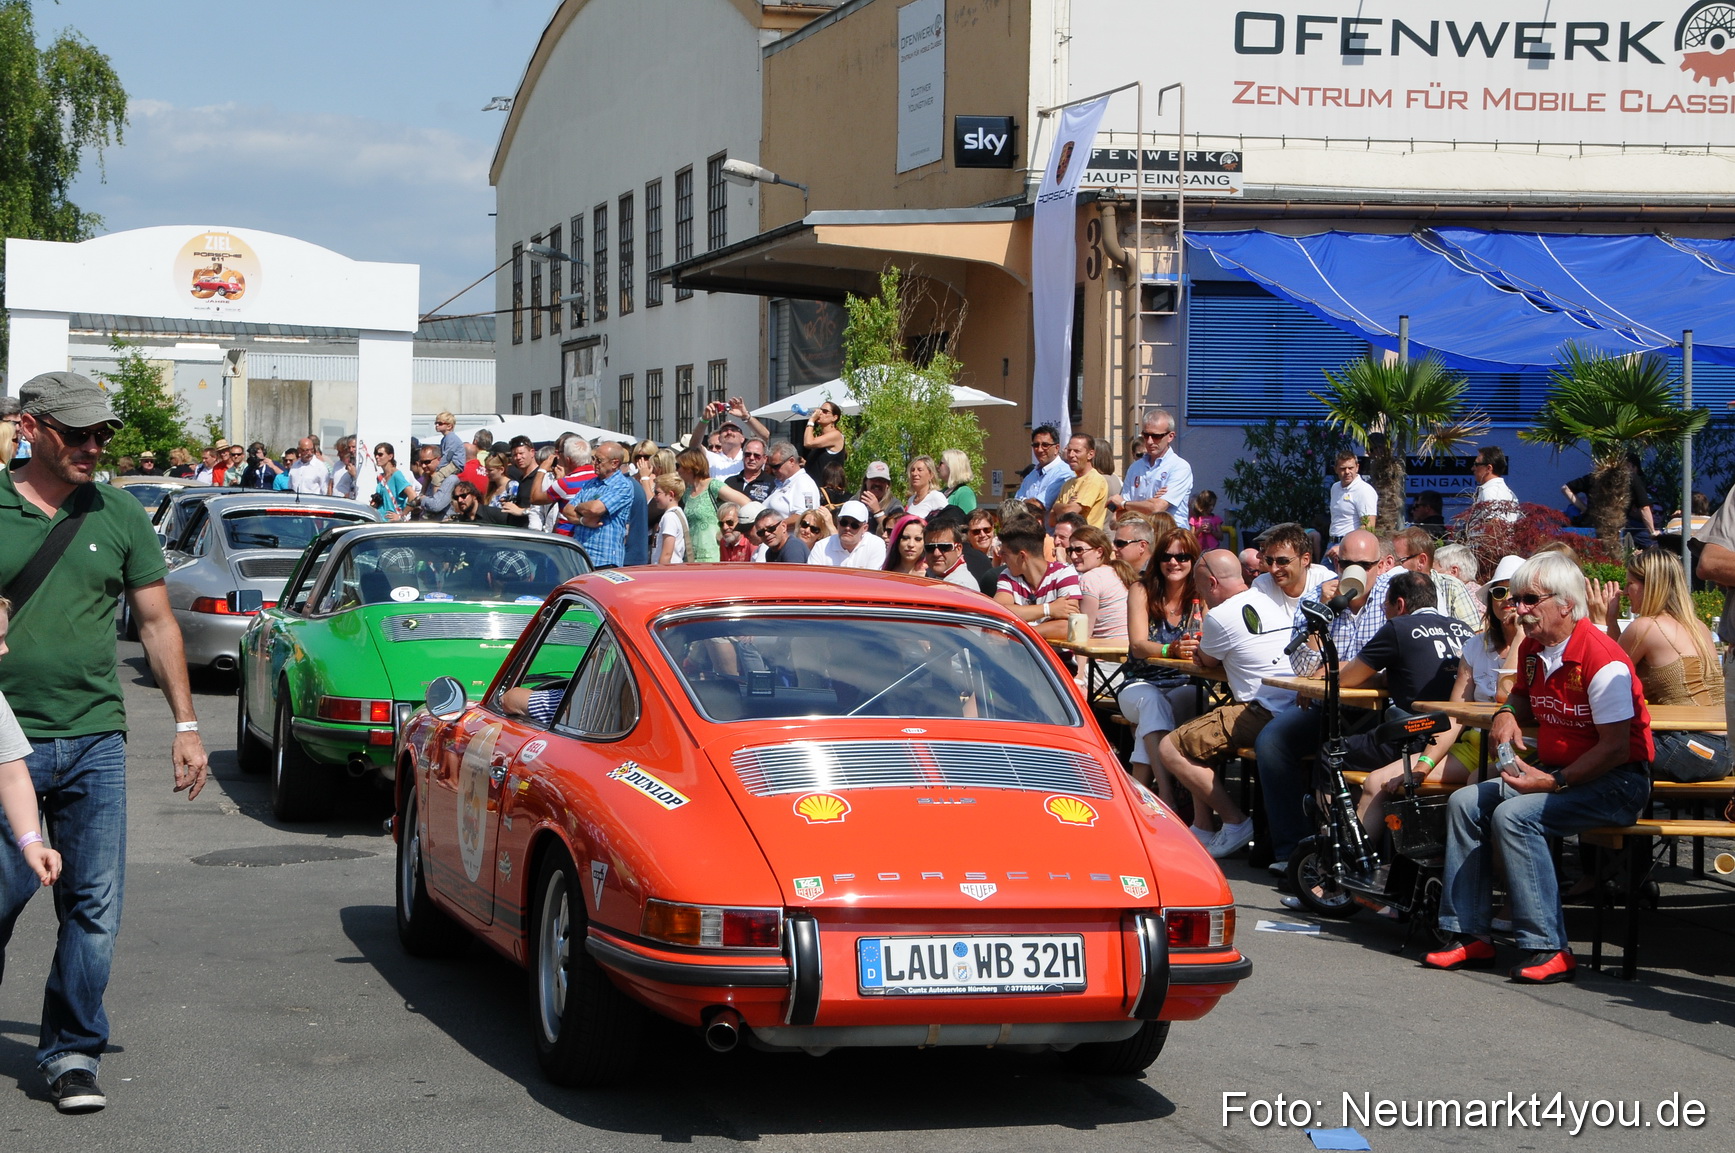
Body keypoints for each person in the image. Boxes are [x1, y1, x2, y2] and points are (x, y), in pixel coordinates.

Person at [1, 372, 210, 1114]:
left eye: (102, 434)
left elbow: (156, 624)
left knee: (94, 905)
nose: (94, 446)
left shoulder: (119, 512)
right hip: (4, 744)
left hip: (95, 738)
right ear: (31, 428)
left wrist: (187, 726)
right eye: (78, 433)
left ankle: (71, 1051)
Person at [1425, 552, 1653, 984]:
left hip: (1617, 782)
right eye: (1515, 599)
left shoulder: (1603, 660)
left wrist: (1554, 782)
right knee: (1464, 802)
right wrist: (1507, 713)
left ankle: (1548, 947)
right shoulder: (1534, 648)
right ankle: (1468, 933)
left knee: (1515, 817)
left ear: (1566, 604)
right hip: (1561, 771)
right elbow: (1521, 697)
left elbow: (1615, 749)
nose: (1519, 609)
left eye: (1530, 599)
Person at [1255, 529, 1399, 874]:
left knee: (1344, 753)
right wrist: (1322, 614)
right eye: (1346, 563)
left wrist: (1338, 670)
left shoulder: (1392, 600)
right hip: (1327, 707)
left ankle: (1354, 851)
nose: (1354, 571)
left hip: (1377, 711)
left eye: (1363, 565)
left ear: (1382, 565)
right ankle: (1294, 849)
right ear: (1335, 561)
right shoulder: (1319, 601)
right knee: (1271, 742)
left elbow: (1389, 665)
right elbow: (1302, 666)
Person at [1155, 548, 1295, 856]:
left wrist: (1196, 649)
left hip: (1262, 709)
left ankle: (1235, 822)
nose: (1200, 593)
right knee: (1196, 732)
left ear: (1212, 583)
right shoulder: (1269, 600)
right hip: (1295, 706)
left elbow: (1204, 659)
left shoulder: (1220, 615)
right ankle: (1204, 826)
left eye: (1200, 586)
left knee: (1170, 747)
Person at [1335, 571, 1476, 838]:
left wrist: (1329, 671)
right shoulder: (1463, 628)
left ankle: (1338, 843)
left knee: (1330, 754)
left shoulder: (1398, 628)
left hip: (1417, 736)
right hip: (1458, 740)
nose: (1384, 612)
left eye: (1385, 606)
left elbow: (1347, 679)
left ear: (1400, 604)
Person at [1595, 548, 1727, 781]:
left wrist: (1605, 621)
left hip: (1695, 749)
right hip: (1723, 748)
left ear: (1650, 586)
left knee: (1599, 746)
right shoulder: (1698, 626)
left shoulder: (1645, 627)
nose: (1625, 592)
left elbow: (1605, 676)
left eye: (1630, 584)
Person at [1119, 528, 1205, 793]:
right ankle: (1168, 795)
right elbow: (1138, 645)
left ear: (1194, 561)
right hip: (1139, 683)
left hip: (1185, 684)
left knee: (1151, 724)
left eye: (1183, 557)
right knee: (1153, 703)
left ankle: (1140, 797)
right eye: (1166, 556)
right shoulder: (1142, 589)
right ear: (1157, 560)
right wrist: (1170, 650)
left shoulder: (1201, 596)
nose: (1174, 563)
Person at [993, 519, 1080, 642]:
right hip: (1017, 657)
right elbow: (998, 612)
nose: (1001, 557)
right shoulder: (1007, 575)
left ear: (1022, 556)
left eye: (1005, 553)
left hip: (1056, 659)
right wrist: (1049, 609)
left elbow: (1068, 626)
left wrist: (1016, 632)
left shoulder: (1064, 574)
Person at [1391, 526, 1481, 627]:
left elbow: (1472, 633)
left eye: (1399, 561)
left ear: (1421, 561)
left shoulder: (1451, 587)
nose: (1392, 567)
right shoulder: (1389, 588)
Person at [1110, 410, 1193, 520]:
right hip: (1140, 533)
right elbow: (1120, 514)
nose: (1149, 441)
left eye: (1156, 436)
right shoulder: (1135, 467)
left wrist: (1125, 504)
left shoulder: (1179, 467)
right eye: (1146, 435)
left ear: (1170, 436)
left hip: (1169, 534)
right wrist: (1149, 502)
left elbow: (1157, 508)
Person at [566, 441, 638, 567]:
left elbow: (595, 509)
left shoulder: (623, 486)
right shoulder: (590, 483)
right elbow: (567, 510)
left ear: (614, 463)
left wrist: (579, 506)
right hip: (581, 557)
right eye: (593, 459)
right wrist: (583, 520)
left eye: (599, 460)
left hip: (604, 560)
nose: (594, 463)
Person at [1563, 454, 1656, 547]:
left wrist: (1583, 508)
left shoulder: (1596, 476)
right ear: (1630, 465)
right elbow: (1645, 508)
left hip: (1589, 527)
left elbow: (1565, 488)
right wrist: (1652, 532)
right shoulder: (1632, 478)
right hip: (1615, 530)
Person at [676, 448, 752, 562]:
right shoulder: (687, 493)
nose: (677, 470)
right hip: (691, 557)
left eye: (678, 466)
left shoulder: (713, 485)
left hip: (713, 555)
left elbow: (746, 503)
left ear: (689, 467)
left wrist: (736, 529)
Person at [1067, 525, 1134, 641]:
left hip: (1104, 654)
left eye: (1079, 550)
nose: (1073, 556)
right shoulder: (1115, 571)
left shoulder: (1090, 578)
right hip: (1126, 651)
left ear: (1099, 552)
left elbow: (1083, 634)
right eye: (1070, 550)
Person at [694, 398, 773, 479]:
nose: (729, 432)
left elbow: (765, 435)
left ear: (742, 438)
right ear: (719, 439)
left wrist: (746, 416)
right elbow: (694, 445)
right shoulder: (711, 458)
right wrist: (704, 420)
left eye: (734, 430)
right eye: (725, 430)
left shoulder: (749, 457)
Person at [808, 500, 887, 569]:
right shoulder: (821, 547)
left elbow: (872, 581)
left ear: (865, 528)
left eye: (854, 525)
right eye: (844, 522)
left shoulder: (875, 545)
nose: (848, 528)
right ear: (838, 523)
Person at [1052, 434, 1109, 529]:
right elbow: (1051, 520)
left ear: (1090, 454)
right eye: (1069, 450)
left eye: (1077, 451)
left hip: (1086, 540)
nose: (1071, 455)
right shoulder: (1068, 483)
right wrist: (1064, 508)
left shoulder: (1094, 479)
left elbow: (1071, 511)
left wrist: (1057, 507)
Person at [1013, 424, 1071, 509]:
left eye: (1045, 445)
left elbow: (1038, 506)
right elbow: (1015, 504)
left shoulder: (1064, 473)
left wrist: (1023, 501)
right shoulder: (1032, 475)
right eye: (1036, 445)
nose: (1040, 449)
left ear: (1057, 448)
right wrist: (1028, 502)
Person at [1326, 450, 1378, 546]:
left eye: (1350, 468)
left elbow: (1369, 526)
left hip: (1352, 545)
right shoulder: (1335, 487)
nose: (1347, 472)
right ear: (1336, 469)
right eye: (1343, 468)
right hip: (1332, 542)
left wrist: (1346, 546)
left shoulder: (1364, 490)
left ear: (1357, 468)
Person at [763, 440, 823, 520]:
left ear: (791, 461)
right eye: (771, 466)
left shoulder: (803, 483)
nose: (773, 470)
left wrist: (774, 527)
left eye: (776, 466)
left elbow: (805, 516)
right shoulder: (784, 483)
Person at [1470, 444, 1519, 523]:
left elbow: (1495, 527)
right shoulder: (1501, 490)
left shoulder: (1491, 492)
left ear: (1488, 468)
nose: (1473, 468)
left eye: (1476, 465)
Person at [800, 399, 847, 483]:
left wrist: (811, 420)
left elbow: (808, 442)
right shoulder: (821, 438)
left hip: (828, 490)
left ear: (834, 417)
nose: (820, 413)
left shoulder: (836, 435)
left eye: (825, 411)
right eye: (820, 410)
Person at [923, 520, 978, 590]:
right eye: (930, 548)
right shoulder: (929, 574)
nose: (936, 553)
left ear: (958, 549)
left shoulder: (962, 586)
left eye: (944, 547)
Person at [725, 438, 776, 504]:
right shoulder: (730, 482)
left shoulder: (773, 483)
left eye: (756, 455)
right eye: (748, 454)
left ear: (765, 459)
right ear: (743, 456)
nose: (751, 458)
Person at [652, 474, 688, 564]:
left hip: (666, 571)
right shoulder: (678, 513)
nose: (654, 497)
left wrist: (660, 572)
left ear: (671, 495)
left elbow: (667, 554)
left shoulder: (670, 517)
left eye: (657, 493)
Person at [858, 460, 905, 527]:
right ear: (865, 481)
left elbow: (894, 532)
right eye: (873, 479)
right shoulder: (855, 501)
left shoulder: (895, 506)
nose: (877, 483)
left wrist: (877, 511)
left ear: (887, 485)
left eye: (882, 480)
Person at [939, 448, 977, 513]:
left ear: (951, 466)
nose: (937, 466)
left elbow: (967, 519)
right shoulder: (942, 492)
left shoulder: (965, 493)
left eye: (941, 463)